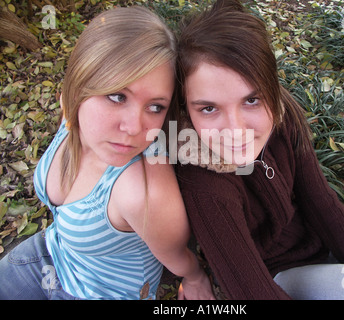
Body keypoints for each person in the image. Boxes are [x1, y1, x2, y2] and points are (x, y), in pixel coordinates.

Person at [174, 0, 344, 299]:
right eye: (209, 108)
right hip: (274, 277)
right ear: (186, 111)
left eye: (251, 100)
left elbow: (321, 202)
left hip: (319, 258)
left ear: (272, 87)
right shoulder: (206, 185)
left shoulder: (284, 120)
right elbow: (249, 289)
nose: (236, 129)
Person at [0, 6, 214, 300]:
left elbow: (178, 256)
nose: (133, 127)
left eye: (155, 107)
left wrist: (195, 279)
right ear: (79, 85)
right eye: (117, 96)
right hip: (48, 254)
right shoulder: (71, 114)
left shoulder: (139, 190)